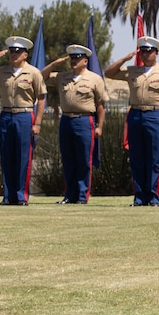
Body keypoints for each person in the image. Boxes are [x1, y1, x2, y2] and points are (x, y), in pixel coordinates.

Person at [106, 37, 159, 206]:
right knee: (137, 158)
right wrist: (125, 58)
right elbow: (109, 73)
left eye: (149, 51)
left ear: (156, 53)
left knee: (154, 160)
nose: (146, 54)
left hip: (155, 115)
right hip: (135, 115)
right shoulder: (133, 71)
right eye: (143, 51)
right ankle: (140, 197)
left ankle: (154, 197)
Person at [0, 35, 47, 206]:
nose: (13, 55)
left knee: (23, 157)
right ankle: (8, 196)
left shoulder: (33, 73)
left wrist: (37, 122)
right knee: (7, 156)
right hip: (6, 116)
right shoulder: (2, 71)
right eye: (11, 52)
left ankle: (21, 196)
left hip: (24, 115)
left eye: (17, 52)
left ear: (25, 54)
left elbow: (41, 98)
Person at [41, 44, 107, 204]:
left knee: (84, 160)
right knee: (68, 159)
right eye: (72, 58)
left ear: (85, 61)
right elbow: (40, 77)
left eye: (77, 58)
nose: (74, 61)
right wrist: (54, 64)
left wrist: (100, 126)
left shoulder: (94, 79)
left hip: (84, 120)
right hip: (66, 120)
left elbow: (101, 105)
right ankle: (69, 195)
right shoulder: (62, 77)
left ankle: (82, 195)